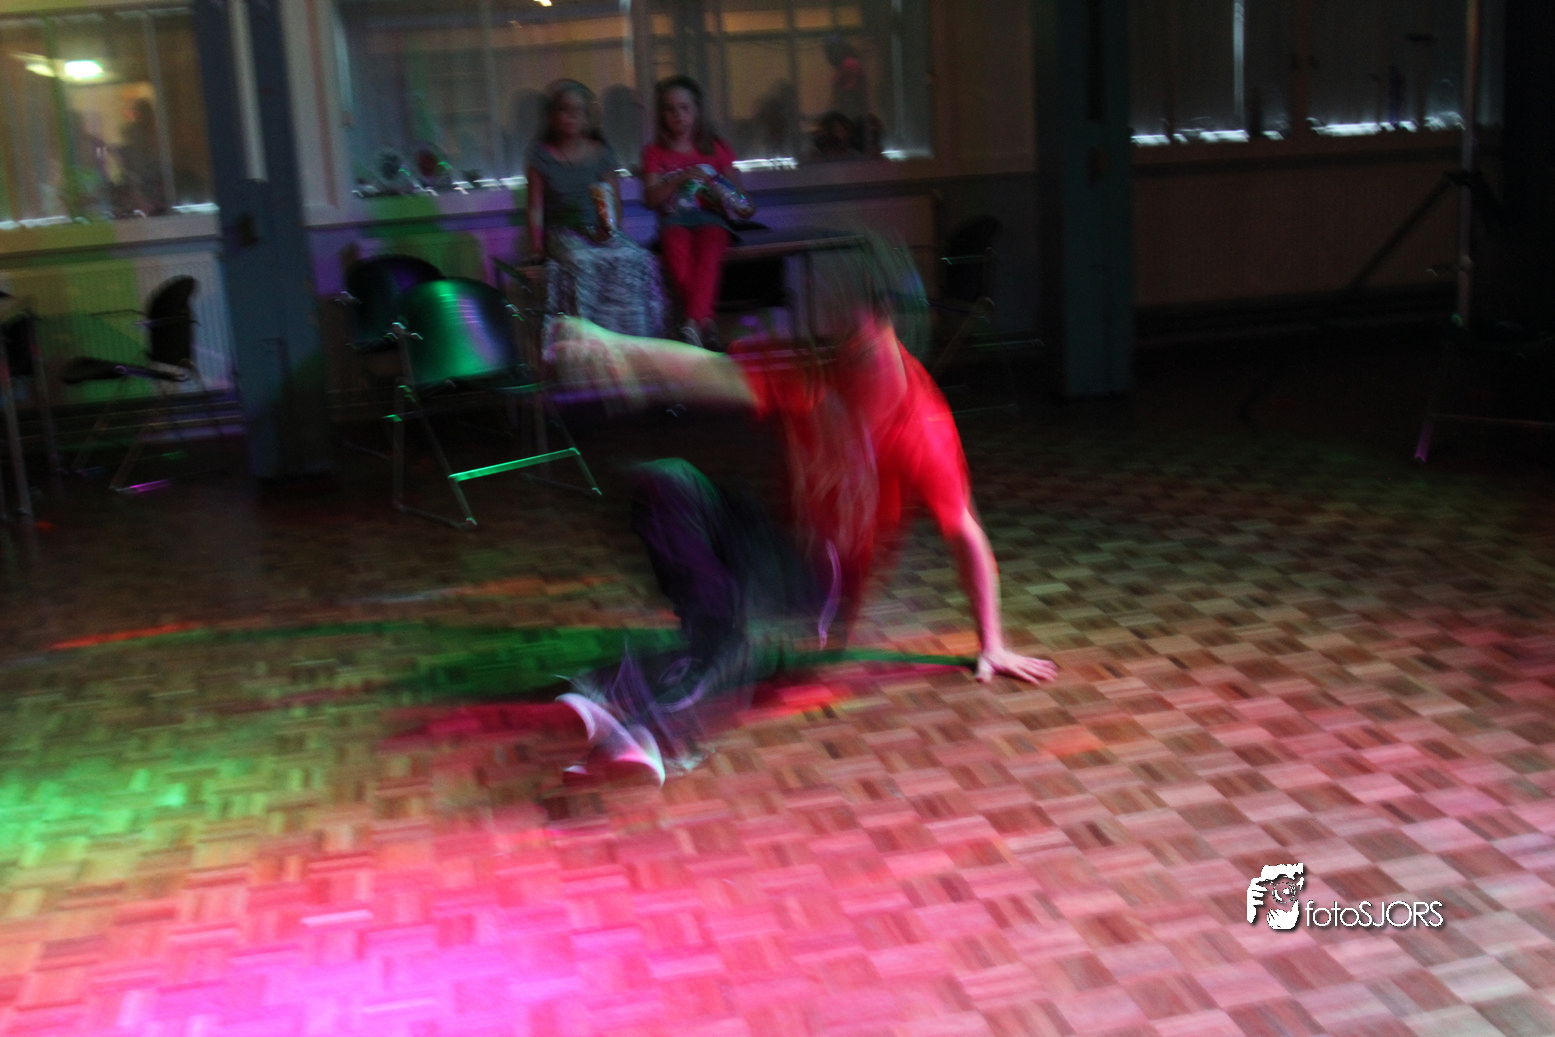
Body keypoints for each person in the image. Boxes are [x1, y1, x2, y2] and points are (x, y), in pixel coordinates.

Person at [541, 241, 1057, 784]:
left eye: (851, 321)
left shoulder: (919, 423)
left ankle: (672, 720)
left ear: (885, 320)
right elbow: (710, 370)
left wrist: (992, 643)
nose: (837, 332)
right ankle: (700, 655)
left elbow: (963, 531)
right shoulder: (821, 369)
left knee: (754, 589)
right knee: (664, 483)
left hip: (822, 586)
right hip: (778, 544)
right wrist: (614, 344)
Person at [526, 79, 667, 338]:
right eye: (564, 110)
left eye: (578, 111)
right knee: (583, 261)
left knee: (635, 258)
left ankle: (632, 335)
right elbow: (535, 207)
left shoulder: (600, 153)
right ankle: (590, 337)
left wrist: (609, 229)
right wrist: (537, 246)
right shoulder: (541, 156)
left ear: (588, 117)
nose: (571, 116)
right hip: (564, 232)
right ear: (553, 115)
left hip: (599, 229)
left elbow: (613, 201)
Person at [641, 75, 755, 351]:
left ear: (697, 111)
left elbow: (739, 196)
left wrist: (735, 199)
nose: (678, 115)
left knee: (709, 252)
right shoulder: (655, 152)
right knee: (677, 253)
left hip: (712, 219)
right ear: (661, 114)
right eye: (670, 109)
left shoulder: (716, 148)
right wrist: (681, 178)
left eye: (684, 108)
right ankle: (705, 322)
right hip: (674, 222)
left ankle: (691, 323)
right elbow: (651, 199)